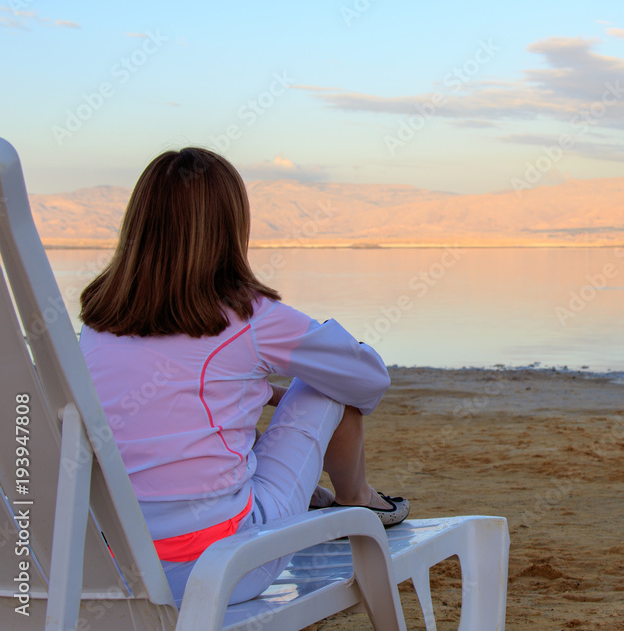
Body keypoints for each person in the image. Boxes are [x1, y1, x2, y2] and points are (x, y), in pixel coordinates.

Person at [78, 147, 408, 606]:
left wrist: (255, 389)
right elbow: (366, 378)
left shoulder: (96, 322)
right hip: (223, 567)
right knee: (326, 385)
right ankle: (356, 499)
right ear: (231, 227)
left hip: (108, 564)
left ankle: (324, 494)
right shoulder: (249, 315)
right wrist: (281, 384)